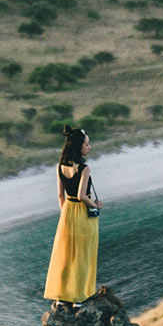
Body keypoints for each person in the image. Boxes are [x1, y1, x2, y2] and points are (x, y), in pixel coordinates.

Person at [43, 124, 100, 303]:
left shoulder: (60, 166)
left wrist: (65, 215)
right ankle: (79, 296)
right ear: (78, 146)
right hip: (82, 214)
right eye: (86, 144)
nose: (89, 147)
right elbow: (82, 196)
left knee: (66, 256)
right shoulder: (84, 169)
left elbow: (61, 195)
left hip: (67, 211)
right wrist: (96, 204)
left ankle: (62, 296)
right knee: (83, 255)